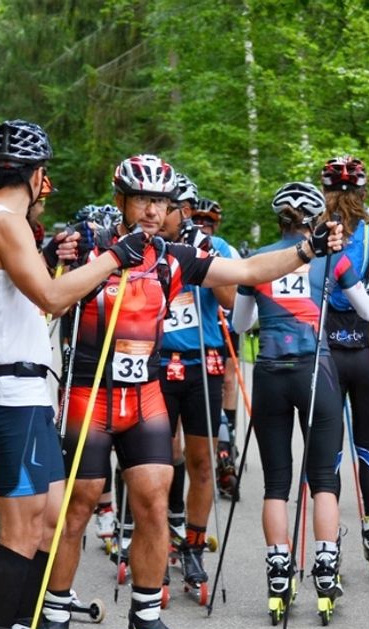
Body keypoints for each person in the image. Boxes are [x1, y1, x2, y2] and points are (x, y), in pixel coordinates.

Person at [38, 154, 344, 629]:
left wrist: (306, 249)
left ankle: (147, 619)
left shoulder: (172, 256)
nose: (152, 211)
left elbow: (247, 270)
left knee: (155, 503)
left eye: (160, 201)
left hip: (146, 395)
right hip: (90, 392)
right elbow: (49, 292)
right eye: (142, 199)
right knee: (79, 505)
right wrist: (67, 251)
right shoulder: (93, 243)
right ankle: (52, 619)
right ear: (122, 201)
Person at [0, 120, 126, 629]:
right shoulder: (2, 221)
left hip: (28, 392)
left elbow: (25, 296)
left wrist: (52, 253)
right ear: (35, 174)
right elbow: (51, 297)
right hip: (11, 393)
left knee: (49, 521)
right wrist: (112, 260)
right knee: (23, 531)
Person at [231, 181, 369, 616]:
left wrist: (264, 303)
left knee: (277, 481)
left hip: (271, 374)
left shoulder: (257, 260)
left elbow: (241, 325)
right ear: (315, 221)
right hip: (317, 373)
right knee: (323, 479)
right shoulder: (331, 258)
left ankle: (279, 571)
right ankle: (326, 569)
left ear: (279, 219)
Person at [156, 173, 235, 595]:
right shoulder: (148, 245)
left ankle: (194, 545)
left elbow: (232, 301)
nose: (174, 216)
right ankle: (154, 536)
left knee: (202, 461)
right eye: (171, 208)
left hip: (202, 363)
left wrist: (203, 256)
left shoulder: (213, 245)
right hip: (156, 362)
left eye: (179, 209)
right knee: (158, 460)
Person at [318, 156, 369, 574]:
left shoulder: (315, 236)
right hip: (367, 349)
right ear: (363, 194)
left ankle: (328, 541)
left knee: (327, 446)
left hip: (326, 352)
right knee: (368, 437)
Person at [191, 197, 243, 497]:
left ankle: (228, 438)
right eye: (199, 220)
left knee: (227, 378)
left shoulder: (224, 246)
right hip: (193, 324)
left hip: (222, 321)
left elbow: (237, 284)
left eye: (208, 222)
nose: (203, 226)